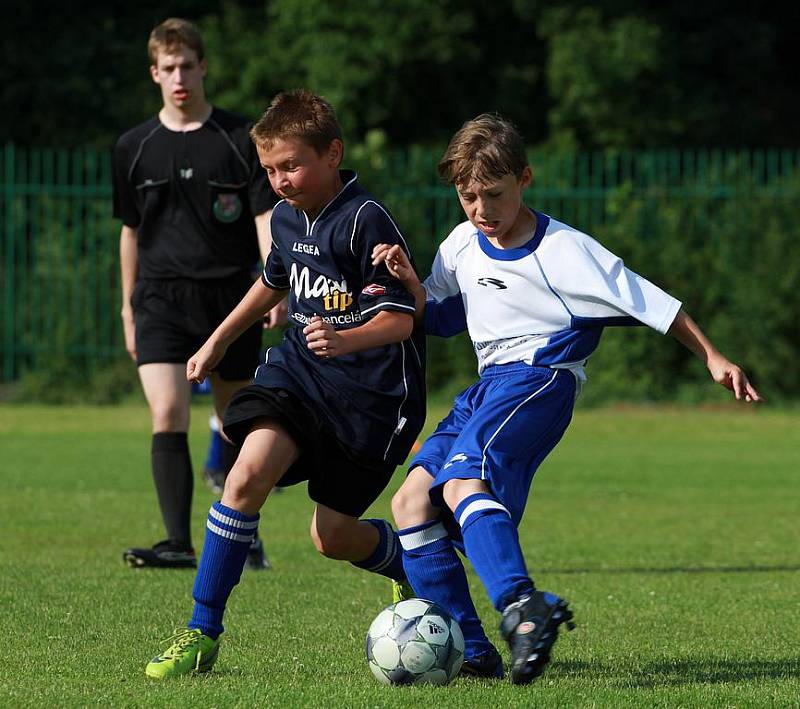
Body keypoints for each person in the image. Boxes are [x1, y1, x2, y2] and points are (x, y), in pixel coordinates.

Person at [371, 113, 762, 685]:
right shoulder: (460, 243)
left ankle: (522, 606)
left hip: (539, 379)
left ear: (525, 179)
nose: (481, 210)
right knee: (410, 503)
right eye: (468, 196)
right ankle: (474, 649)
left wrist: (713, 357)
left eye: (495, 195)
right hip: (486, 387)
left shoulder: (566, 251)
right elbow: (449, 317)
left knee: (460, 482)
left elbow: (653, 302)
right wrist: (410, 284)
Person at [144, 89, 426, 679]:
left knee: (332, 536)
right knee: (244, 475)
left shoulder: (364, 220)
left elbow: (403, 318)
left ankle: (408, 562)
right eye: (270, 169)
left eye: (291, 165)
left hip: (372, 399)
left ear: (333, 153)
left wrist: (346, 339)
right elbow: (273, 279)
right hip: (298, 375)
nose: (280, 180)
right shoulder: (287, 217)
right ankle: (201, 630)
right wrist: (218, 340)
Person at [113, 18, 279, 570]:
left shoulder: (238, 141)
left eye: (188, 65)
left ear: (202, 67)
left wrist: (277, 284)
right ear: (154, 74)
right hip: (159, 300)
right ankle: (176, 543)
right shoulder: (134, 147)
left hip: (231, 299)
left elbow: (263, 216)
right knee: (168, 412)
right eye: (168, 68)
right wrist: (127, 307)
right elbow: (131, 232)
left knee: (236, 422)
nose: (179, 77)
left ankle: (239, 532)